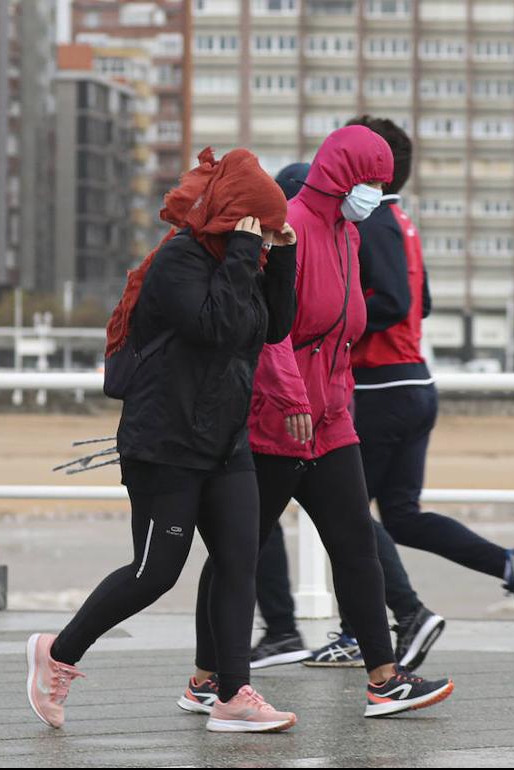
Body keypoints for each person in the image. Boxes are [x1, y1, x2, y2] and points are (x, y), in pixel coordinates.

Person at [250, 118, 514, 676]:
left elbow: (387, 301)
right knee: (398, 516)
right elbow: (422, 301)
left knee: (341, 520)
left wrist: (334, 324)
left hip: (378, 385)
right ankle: (505, 566)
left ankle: (384, 623)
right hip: (414, 379)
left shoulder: (368, 225)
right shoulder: (398, 224)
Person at [181, 126, 454, 719]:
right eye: (370, 180)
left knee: (355, 541)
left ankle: (384, 677)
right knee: (239, 549)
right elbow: (269, 327)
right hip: (276, 419)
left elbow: (343, 329)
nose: (376, 193)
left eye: (383, 182)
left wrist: (329, 402)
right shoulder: (293, 227)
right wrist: (289, 399)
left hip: (330, 418)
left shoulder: (347, 235)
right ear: (340, 176)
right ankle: (207, 677)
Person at [25, 147, 300, 733]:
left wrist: (284, 259)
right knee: (155, 573)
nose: (267, 237)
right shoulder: (180, 262)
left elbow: (274, 327)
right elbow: (216, 329)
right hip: (165, 444)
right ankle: (58, 652)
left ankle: (232, 694)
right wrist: (248, 254)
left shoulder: (243, 264)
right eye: (262, 225)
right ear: (234, 219)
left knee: (238, 561)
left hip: (225, 441)